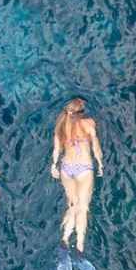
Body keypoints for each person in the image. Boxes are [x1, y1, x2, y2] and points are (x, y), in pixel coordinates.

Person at [50, 98, 103, 253]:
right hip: (84, 168)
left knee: (72, 204)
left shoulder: (60, 127)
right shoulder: (89, 124)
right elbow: (96, 147)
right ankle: (79, 244)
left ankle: (65, 238)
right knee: (83, 207)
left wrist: (53, 166)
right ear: (80, 113)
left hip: (66, 168)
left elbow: (56, 150)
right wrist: (100, 164)